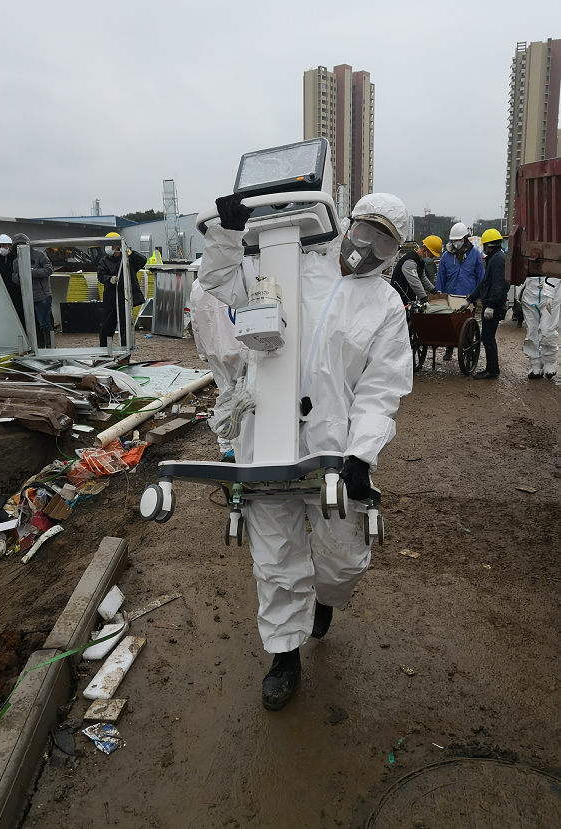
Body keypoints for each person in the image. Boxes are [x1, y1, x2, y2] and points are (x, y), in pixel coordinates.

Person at [199, 192, 413, 710]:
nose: (368, 245)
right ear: (345, 224)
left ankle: (326, 599)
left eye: (383, 239)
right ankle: (285, 653)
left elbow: (380, 386)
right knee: (275, 555)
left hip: (333, 448)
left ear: (396, 251)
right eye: (365, 230)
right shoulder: (288, 262)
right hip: (268, 433)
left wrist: (363, 454)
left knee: (343, 558)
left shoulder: (384, 304)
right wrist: (228, 235)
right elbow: (221, 282)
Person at [189, 275, 247, 460]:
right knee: (247, 395)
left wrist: (203, 352)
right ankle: (245, 443)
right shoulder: (241, 276)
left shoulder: (199, 284)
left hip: (214, 349)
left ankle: (227, 446)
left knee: (226, 393)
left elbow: (195, 323)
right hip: (242, 348)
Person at [460, 228, 509, 379]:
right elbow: (484, 283)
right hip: (491, 304)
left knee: (487, 337)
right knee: (488, 337)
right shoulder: (495, 258)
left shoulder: (497, 260)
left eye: (485, 245)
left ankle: (492, 370)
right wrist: (470, 299)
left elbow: (498, 285)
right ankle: (494, 368)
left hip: (493, 306)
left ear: (488, 245)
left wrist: (491, 306)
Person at [436, 222, 485, 360]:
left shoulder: (474, 254)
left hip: (468, 295)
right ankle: (449, 348)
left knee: (467, 324)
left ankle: (468, 349)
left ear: (464, 239)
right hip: (451, 295)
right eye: (453, 240)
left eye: (458, 240)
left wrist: (478, 295)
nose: (456, 243)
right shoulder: (446, 256)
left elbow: (480, 276)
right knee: (450, 323)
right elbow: (441, 276)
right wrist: (439, 294)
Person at [97, 232, 145, 348]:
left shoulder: (128, 259)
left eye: (112, 246)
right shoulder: (104, 261)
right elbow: (100, 275)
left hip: (125, 298)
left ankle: (125, 353)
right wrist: (109, 279)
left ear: (118, 246)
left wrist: (131, 253)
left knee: (126, 328)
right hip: (110, 298)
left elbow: (142, 261)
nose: (109, 249)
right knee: (106, 327)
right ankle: (104, 353)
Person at [11, 233, 53, 348]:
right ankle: (38, 348)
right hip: (27, 298)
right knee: (33, 326)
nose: (20, 247)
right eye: (17, 245)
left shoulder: (39, 254)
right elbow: (14, 277)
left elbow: (48, 270)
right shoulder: (16, 261)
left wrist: (30, 271)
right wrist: (20, 276)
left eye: (23, 244)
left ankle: (50, 348)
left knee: (45, 323)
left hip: (42, 297)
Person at [520, 274, 561, 379]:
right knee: (531, 331)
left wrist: (550, 288)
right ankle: (535, 364)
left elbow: (556, 265)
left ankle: (550, 362)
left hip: (551, 291)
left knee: (547, 330)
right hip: (529, 290)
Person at [390, 235, 442, 305]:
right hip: (400, 299)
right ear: (424, 251)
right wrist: (424, 300)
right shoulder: (410, 262)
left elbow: (422, 278)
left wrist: (434, 291)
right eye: (431, 256)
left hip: (408, 298)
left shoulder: (420, 261)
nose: (432, 259)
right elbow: (415, 283)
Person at [0, 234, 25, 328]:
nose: (2, 248)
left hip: (17, 292)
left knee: (20, 313)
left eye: (4, 246)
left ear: (10, 246)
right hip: (2, 292)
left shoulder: (17, 259)